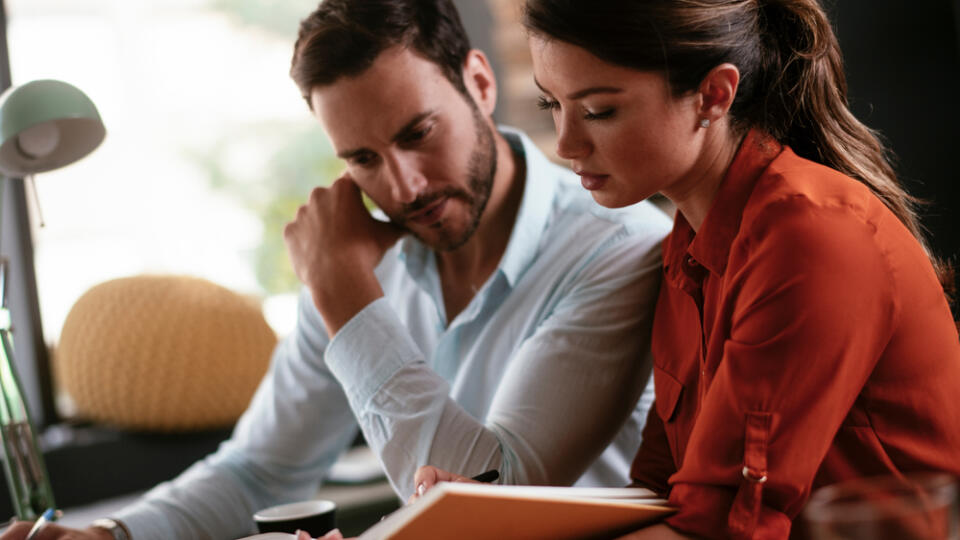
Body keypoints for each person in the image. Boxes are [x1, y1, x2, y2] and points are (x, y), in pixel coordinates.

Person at [0, 1, 672, 539]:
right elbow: (259, 469)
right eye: (363, 158)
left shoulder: (620, 249)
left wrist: (346, 299)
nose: (404, 186)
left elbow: (494, 502)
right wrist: (114, 534)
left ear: (481, 82)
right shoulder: (361, 260)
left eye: (417, 133)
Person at [419, 0, 960, 538]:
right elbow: (664, 492)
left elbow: (717, 528)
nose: (566, 144)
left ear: (713, 95)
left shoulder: (810, 238)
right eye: (551, 105)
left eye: (599, 111)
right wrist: (486, 516)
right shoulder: (687, 247)